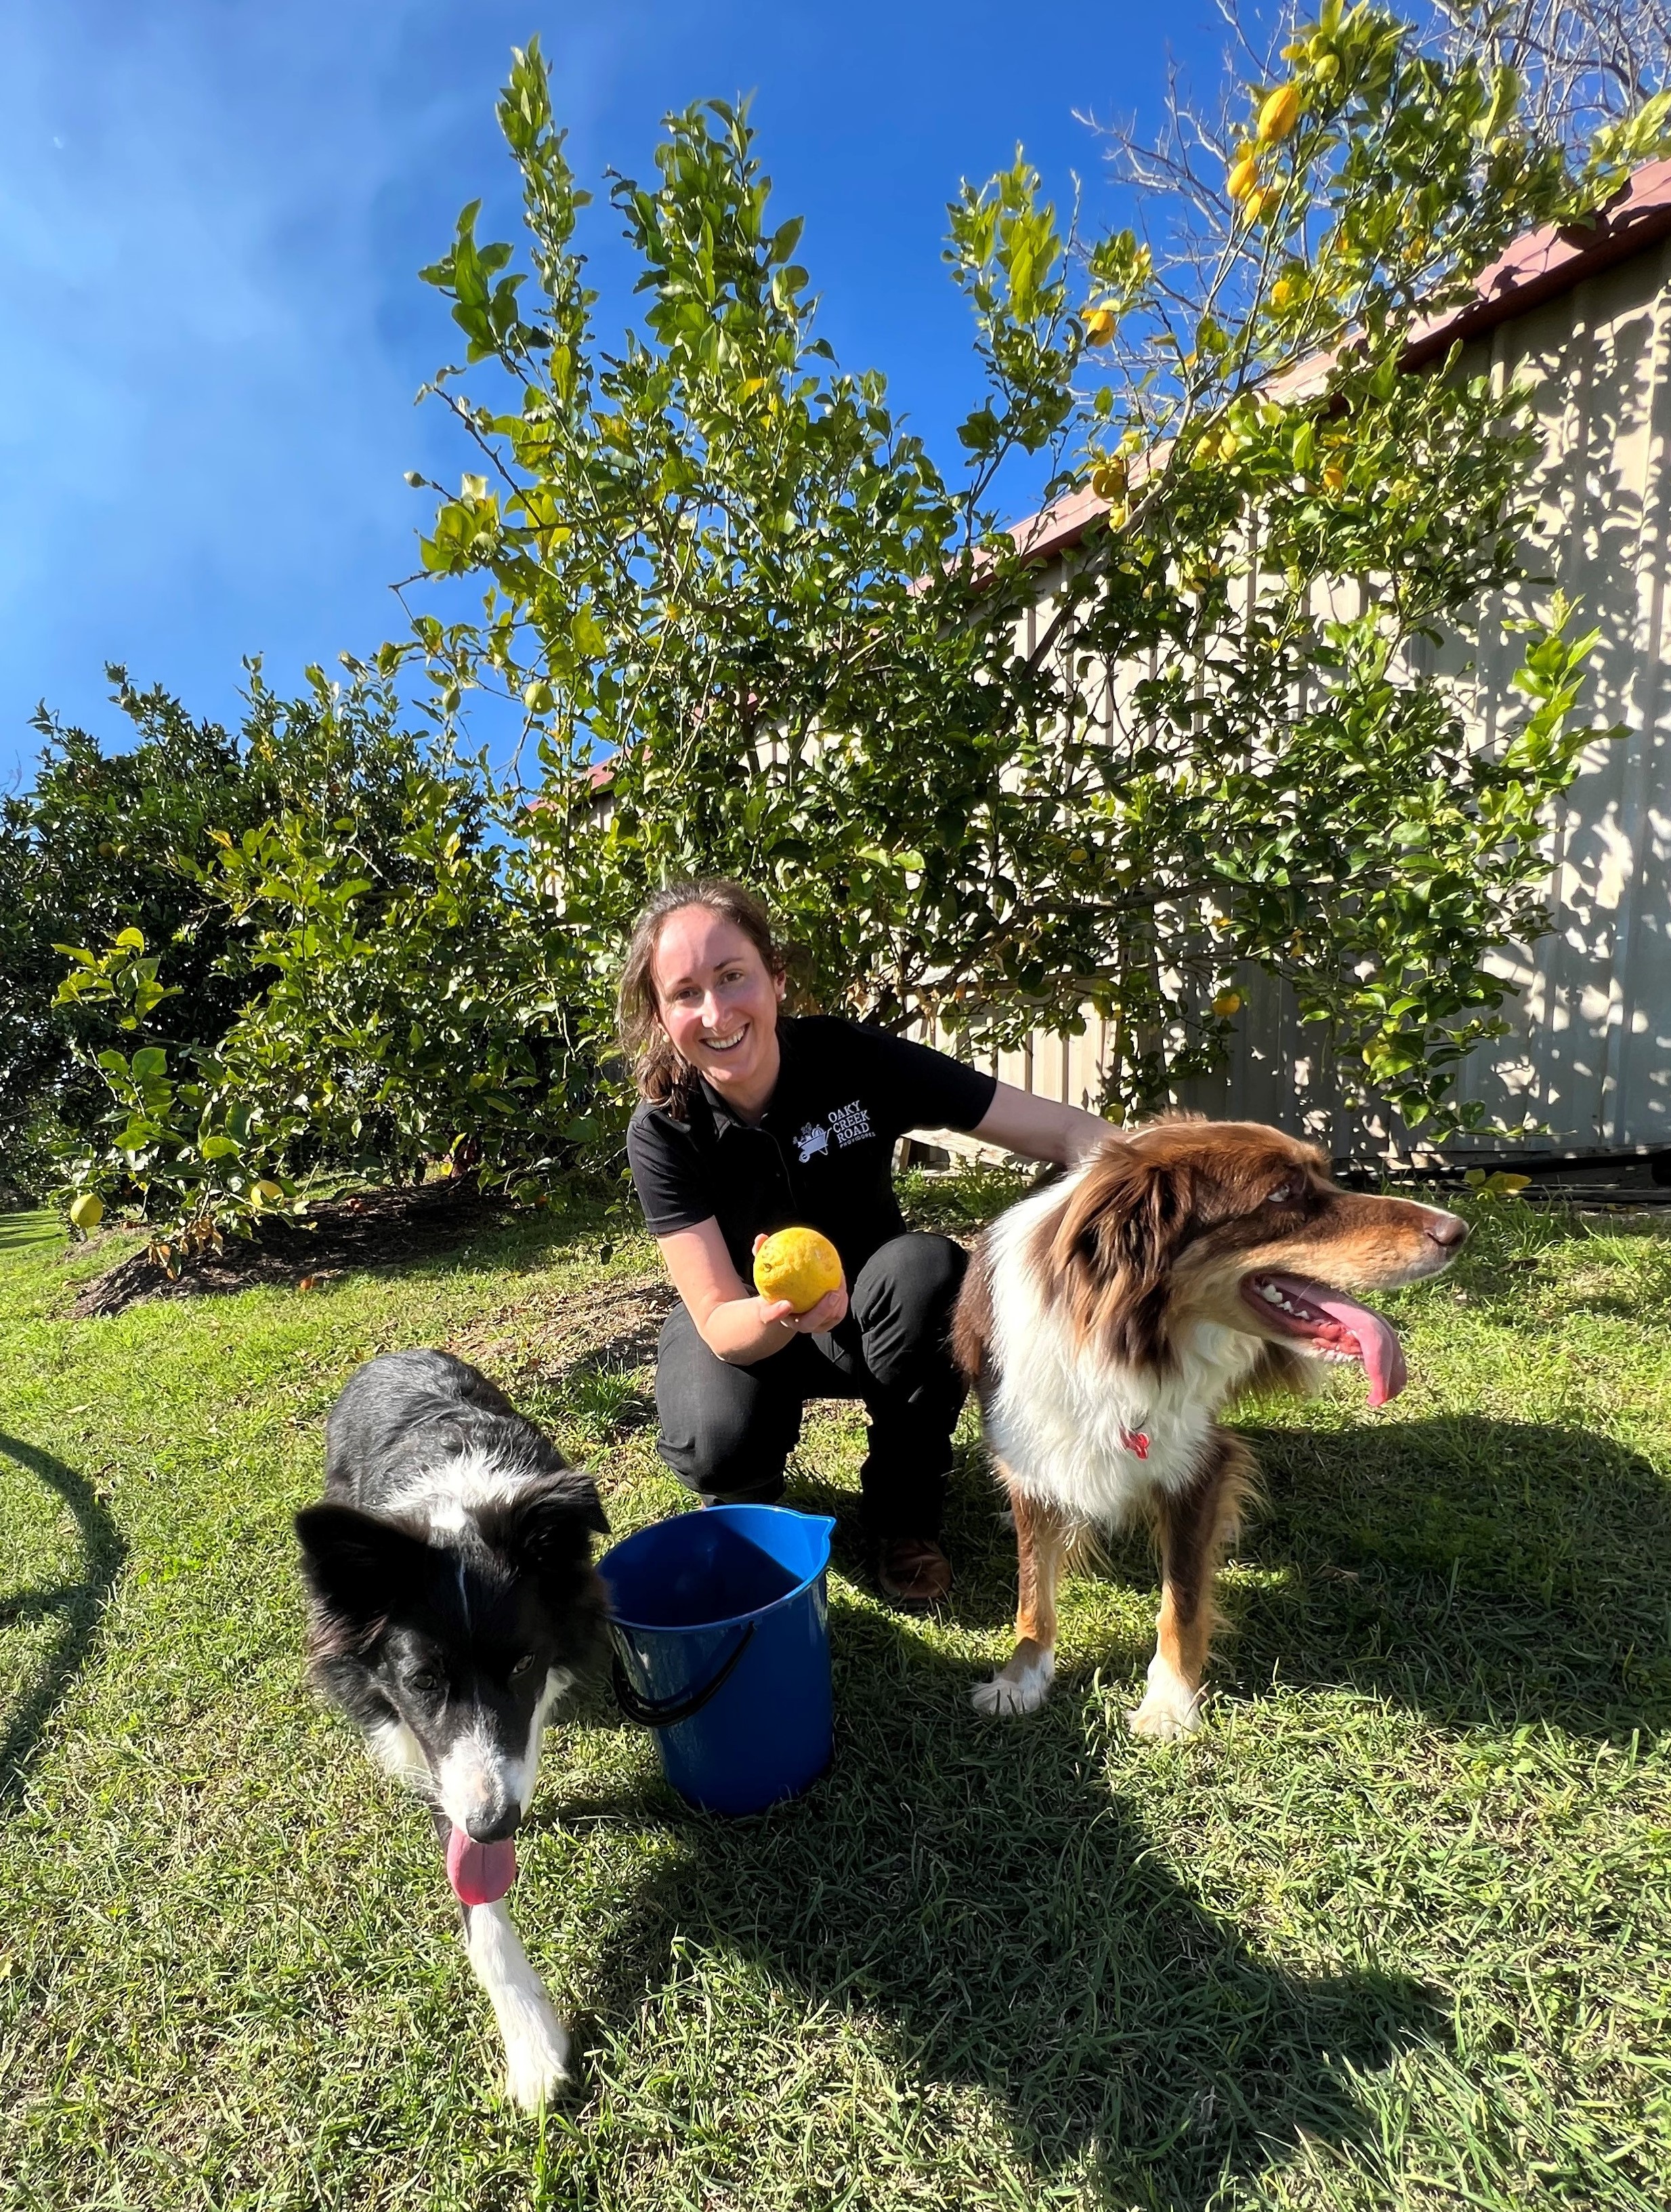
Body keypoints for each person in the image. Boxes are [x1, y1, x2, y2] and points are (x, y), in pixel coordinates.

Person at [620, 880, 1116, 1605]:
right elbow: (724, 1324)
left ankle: (904, 1520)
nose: (717, 1013)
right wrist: (778, 1313)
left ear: (776, 978)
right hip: (750, 1328)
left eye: (733, 977)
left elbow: (1055, 1128)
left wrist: (1146, 1172)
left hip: (878, 1324)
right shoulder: (664, 1129)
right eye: (686, 992)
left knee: (932, 1273)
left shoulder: (852, 1061)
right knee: (715, 1429)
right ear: (662, 1016)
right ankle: (753, 1515)